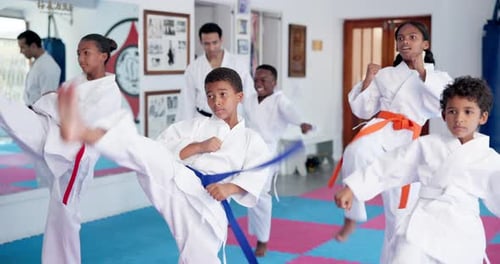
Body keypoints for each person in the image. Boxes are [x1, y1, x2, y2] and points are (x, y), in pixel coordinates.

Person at [57, 67, 271, 263]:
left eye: (223, 94)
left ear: (239, 97)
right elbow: (162, 146)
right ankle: (85, 132)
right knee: (149, 151)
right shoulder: (196, 126)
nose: (216, 102)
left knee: (199, 257)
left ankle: (87, 131)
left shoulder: (251, 139)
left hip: (208, 204)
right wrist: (198, 146)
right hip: (177, 179)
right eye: (210, 96)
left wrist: (230, 188)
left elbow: (258, 170)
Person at [334, 76, 500, 264]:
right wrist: (354, 188)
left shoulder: (489, 159)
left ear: (483, 117)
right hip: (423, 222)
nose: (459, 118)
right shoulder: (427, 145)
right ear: (444, 115)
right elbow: (391, 165)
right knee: (404, 255)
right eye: (452, 111)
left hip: (462, 227)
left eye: (468, 112)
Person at [329, 21, 452, 263]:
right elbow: (363, 109)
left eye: (412, 37)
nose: (405, 41)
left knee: (400, 215)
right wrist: (368, 78)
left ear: (425, 44)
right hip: (381, 129)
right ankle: (353, 214)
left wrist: (422, 72)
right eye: (401, 38)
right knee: (355, 151)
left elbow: (443, 106)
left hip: (409, 141)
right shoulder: (386, 74)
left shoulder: (438, 77)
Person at [0, 33, 121, 264]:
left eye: (86, 53)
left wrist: (57, 103)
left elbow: (82, 120)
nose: (81, 58)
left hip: (76, 158)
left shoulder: (109, 92)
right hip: (54, 136)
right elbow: (53, 102)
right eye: (78, 53)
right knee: (14, 114)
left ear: (103, 56)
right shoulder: (78, 81)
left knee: (65, 217)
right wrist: (55, 103)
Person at [245, 64, 313, 256]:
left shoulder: (280, 100)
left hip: (268, 152)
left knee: (260, 193)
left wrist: (302, 123)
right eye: (256, 80)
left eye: (263, 80)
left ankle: (262, 240)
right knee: (250, 192)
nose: (258, 83)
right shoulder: (249, 99)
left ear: (274, 82)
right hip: (247, 150)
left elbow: (292, 112)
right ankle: (255, 231)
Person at [177, 22, 255, 121]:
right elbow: (186, 102)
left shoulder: (238, 64)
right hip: (204, 120)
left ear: (221, 40)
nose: (211, 48)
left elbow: (249, 97)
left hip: (232, 120)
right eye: (207, 44)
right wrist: (183, 130)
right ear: (201, 42)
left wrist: (254, 124)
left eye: (215, 43)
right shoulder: (193, 68)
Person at [17, 30, 61, 107]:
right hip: (30, 112)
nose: (20, 51)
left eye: (23, 48)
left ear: (33, 46)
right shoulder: (37, 63)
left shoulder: (48, 67)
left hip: (38, 116)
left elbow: (47, 102)